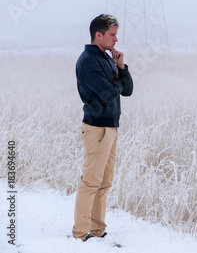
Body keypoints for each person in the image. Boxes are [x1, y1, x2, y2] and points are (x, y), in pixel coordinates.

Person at [73, 14, 133, 241]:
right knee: (90, 182)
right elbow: (108, 94)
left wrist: (121, 67)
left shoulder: (107, 58)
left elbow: (127, 90)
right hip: (96, 128)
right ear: (98, 35)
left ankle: (98, 229)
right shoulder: (88, 61)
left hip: (111, 127)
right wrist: (115, 83)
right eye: (112, 35)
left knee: (105, 182)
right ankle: (80, 233)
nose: (116, 40)